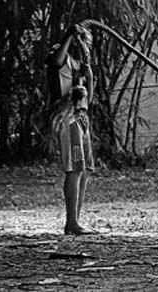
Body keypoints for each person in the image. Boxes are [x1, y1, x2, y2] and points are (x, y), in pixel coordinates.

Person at [46, 24, 95, 235]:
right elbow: (56, 60)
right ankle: (71, 222)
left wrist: (90, 76)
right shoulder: (58, 62)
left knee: (84, 170)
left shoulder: (76, 67)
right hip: (68, 119)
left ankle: (76, 220)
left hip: (82, 119)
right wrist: (67, 34)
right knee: (74, 169)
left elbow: (88, 99)